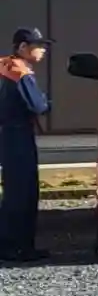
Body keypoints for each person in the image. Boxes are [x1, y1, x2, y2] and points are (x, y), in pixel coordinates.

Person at [0, 29, 52, 263]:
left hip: (7, 134)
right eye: (38, 45)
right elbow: (38, 105)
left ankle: (13, 245)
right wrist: (47, 102)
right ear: (22, 47)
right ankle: (18, 247)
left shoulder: (5, 66)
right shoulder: (20, 72)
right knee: (24, 192)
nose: (43, 49)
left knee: (13, 191)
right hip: (18, 135)